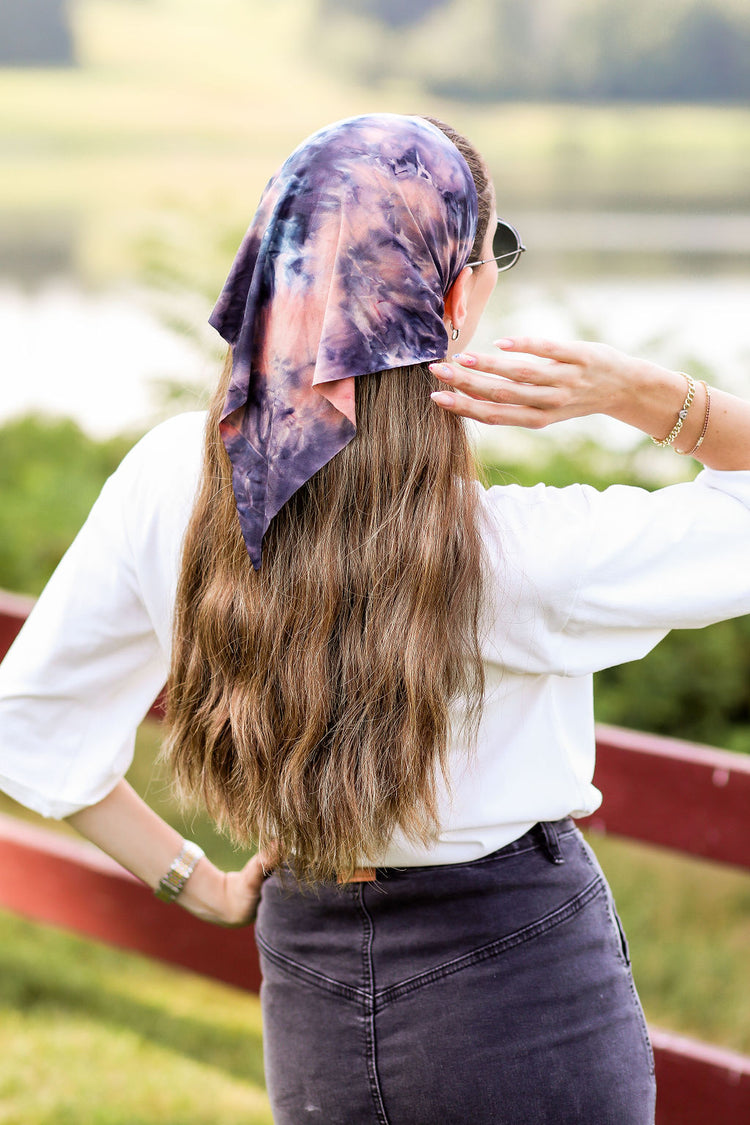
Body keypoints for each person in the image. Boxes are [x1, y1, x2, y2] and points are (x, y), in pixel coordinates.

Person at [1, 112, 750, 1125]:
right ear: (456, 293)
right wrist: (655, 397)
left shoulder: (171, 482)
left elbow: (32, 724)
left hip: (306, 977)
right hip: (520, 991)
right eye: (495, 254)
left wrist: (201, 883)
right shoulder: (514, 553)